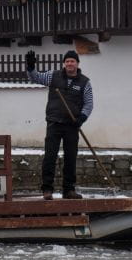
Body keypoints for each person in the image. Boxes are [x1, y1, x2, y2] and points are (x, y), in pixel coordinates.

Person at [26, 49, 94, 200]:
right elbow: (35, 78)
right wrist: (31, 67)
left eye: (73, 61)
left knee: (71, 157)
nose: (70, 63)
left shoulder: (84, 82)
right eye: (67, 61)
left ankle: (69, 190)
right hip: (54, 123)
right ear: (64, 63)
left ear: (77, 63)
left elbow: (89, 104)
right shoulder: (53, 76)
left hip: (72, 125)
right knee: (50, 156)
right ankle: (47, 189)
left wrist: (82, 118)